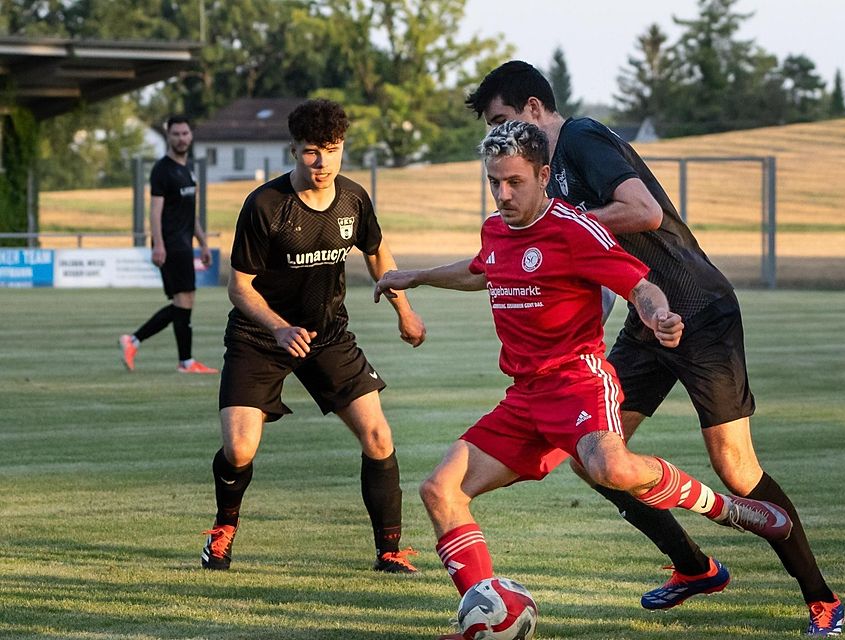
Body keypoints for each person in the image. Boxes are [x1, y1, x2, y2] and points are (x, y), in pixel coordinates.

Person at [464, 61, 844, 636]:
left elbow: (645, 212)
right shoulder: (547, 170)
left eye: (503, 119)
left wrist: (562, 229)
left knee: (736, 470)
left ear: (535, 110)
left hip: (696, 308)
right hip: (648, 323)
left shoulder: (581, 138)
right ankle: (695, 568)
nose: (501, 137)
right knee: (596, 460)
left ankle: (822, 598)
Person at [374, 121, 793, 640]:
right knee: (440, 489)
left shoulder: (574, 228)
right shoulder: (496, 230)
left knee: (609, 467)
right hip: (524, 399)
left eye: (514, 182)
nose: (503, 194)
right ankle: (490, 618)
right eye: (494, 182)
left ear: (544, 175)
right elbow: (482, 269)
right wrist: (414, 275)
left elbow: (640, 286)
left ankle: (723, 508)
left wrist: (660, 316)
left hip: (577, 382)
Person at [200, 98, 427, 575]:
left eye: (331, 149)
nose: (321, 162)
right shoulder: (265, 205)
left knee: (379, 436)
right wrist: (278, 328)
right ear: (293, 150)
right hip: (260, 336)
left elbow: (377, 253)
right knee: (240, 448)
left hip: (327, 336)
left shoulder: (353, 199)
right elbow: (238, 286)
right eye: (310, 152)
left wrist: (404, 310)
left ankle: (389, 551)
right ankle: (222, 531)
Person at [119, 115, 218, 374]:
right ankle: (179, 359)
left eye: (185, 133)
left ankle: (143, 344)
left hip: (185, 244)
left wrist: (204, 244)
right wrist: (158, 244)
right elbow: (154, 212)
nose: (181, 138)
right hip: (172, 245)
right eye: (176, 134)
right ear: (168, 136)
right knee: (182, 301)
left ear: (191, 136)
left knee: (184, 302)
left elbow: (191, 213)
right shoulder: (163, 170)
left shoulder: (188, 171)